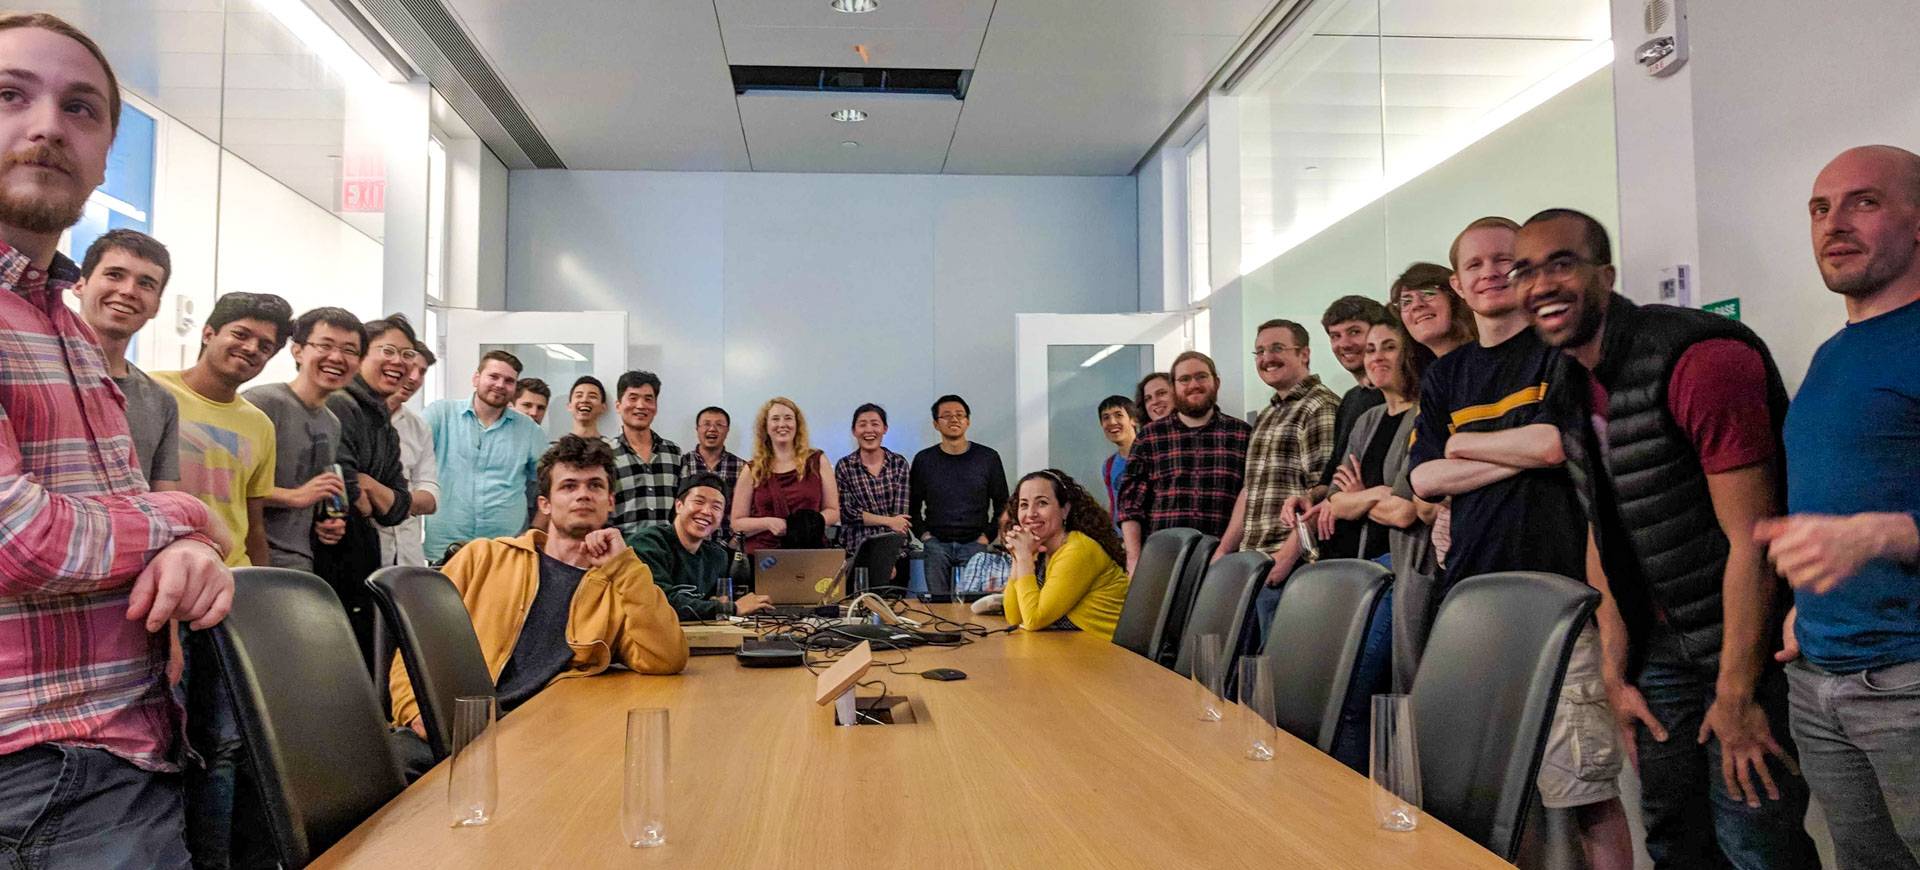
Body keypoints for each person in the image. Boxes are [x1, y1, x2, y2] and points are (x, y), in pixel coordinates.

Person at [0, 14, 234, 866]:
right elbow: (17, 537)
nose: (47, 126)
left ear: (105, 157)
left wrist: (185, 549)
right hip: (38, 771)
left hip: (124, 749)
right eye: (9, 95)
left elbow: (125, 521)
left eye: (83, 109)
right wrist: (181, 523)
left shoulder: (59, 327)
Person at [1519, 208, 1816, 868]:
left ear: (1606, 274)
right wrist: (1614, 669)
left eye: (1561, 263)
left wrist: (1736, 696)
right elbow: (1605, 530)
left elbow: (1755, 541)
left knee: (1756, 844)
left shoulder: (1701, 359)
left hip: (1746, 646)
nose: (1540, 283)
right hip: (1658, 657)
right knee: (1675, 843)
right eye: (1525, 270)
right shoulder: (1568, 382)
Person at [1408, 216, 1632, 870]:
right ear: (1457, 285)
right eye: (1473, 265)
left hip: (1564, 601)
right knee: (1499, 792)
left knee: (1584, 792)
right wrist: (1520, 453)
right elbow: (1423, 477)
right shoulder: (1447, 377)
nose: (1490, 273)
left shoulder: (1555, 350)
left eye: (1504, 260)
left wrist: (1463, 444)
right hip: (1472, 604)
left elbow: (1561, 443)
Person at [1753, 145, 1920, 869]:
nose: (1834, 223)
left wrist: (1883, 535)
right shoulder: (1831, 354)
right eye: (1820, 208)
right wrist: (1806, 602)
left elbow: (1870, 520)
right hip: (1820, 678)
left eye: (1864, 201)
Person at [389, 436, 687, 730]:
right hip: (453, 725)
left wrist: (624, 566)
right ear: (545, 504)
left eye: (595, 486)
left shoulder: (616, 586)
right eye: (569, 486)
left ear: (610, 502)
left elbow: (666, 658)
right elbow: (418, 643)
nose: (582, 494)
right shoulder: (482, 557)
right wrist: (416, 711)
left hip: (543, 731)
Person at [1214, 321, 1339, 638]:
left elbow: (1323, 494)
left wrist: (1286, 556)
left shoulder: (1319, 407)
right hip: (1252, 562)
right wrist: (1223, 552)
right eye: (1260, 351)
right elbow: (1251, 491)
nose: (1266, 357)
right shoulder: (1270, 413)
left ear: (1305, 354)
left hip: (1286, 565)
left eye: (1277, 348)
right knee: (1245, 672)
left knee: (1275, 675)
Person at [1384, 261, 1474, 691]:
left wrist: (1455, 456)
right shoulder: (1435, 381)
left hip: (1502, 556)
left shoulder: (1486, 365)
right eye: (1405, 301)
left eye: (1427, 293)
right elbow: (1422, 494)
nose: (1416, 306)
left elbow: (1549, 447)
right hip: (1452, 563)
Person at [155, 291, 292, 568]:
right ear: (208, 333)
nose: (252, 348)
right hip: (162, 568)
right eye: (241, 334)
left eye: (265, 346)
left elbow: (254, 524)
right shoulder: (152, 392)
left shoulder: (260, 424)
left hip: (232, 574)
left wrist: (261, 586)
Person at [317, 314, 418, 658]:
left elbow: (401, 506)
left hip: (362, 560)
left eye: (407, 355)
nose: (399, 363)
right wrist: (362, 493)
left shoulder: (383, 424)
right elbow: (345, 491)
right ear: (362, 356)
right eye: (387, 351)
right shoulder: (339, 404)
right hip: (328, 562)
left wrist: (369, 485)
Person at [244, 307, 361, 571]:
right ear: (298, 351)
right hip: (252, 559)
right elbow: (228, 486)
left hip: (300, 560)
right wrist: (294, 497)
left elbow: (310, 496)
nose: (336, 357)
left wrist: (326, 523)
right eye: (325, 345)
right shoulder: (262, 403)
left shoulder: (331, 423)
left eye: (349, 350)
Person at [1116, 352, 1252, 572]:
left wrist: (1224, 553)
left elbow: (1251, 498)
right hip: (1161, 562)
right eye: (1184, 379)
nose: (1193, 385)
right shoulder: (1150, 437)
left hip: (1222, 565)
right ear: (1174, 387)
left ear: (1216, 382)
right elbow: (1131, 505)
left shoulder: (1242, 435)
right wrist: (1134, 561)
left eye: (1201, 377)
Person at [71, 228, 179, 491]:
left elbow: (165, 501)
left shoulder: (161, 402)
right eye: (114, 275)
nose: (129, 290)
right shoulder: (32, 372)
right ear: (80, 284)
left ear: (156, 306)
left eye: (146, 284)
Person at [424, 349, 545, 556]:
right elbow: (407, 459)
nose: (500, 385)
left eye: (509, 381)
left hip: (506, 550)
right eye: (494, 376)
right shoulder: (441, 415)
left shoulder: (530, 430)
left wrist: (534, 535)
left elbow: (548, 489)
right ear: (476, 378)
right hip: (445, 548)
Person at [1002, 470, 1131, 641]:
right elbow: (1014, 617)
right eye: (1024, 505)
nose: (1031, 513)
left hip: (1114, 653)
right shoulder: (1042, 551)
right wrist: (1018, 557)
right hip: (1078, 646)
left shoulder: (1078, 550)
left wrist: (1024, 556)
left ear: (1065, 510)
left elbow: (1033, 620)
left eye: (1042, 503)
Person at [1312, 296, 1394, 559]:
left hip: (1383, 545)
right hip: (1343, 542)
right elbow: (1335, 474)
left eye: (1354, 332)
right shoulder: (1350, 399)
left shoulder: (1394, 397)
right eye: (1335, 336)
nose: (1344, 344)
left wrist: (1357, 497)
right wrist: (1310, 496)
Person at [629, 473, 772, 620]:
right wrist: (731, 608)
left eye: (716, 507)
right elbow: (658, 603)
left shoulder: (716, 556)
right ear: (679, 505)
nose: (706, 511)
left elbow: (709, 604)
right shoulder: (648, 543)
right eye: (699, 501)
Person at [908, 395, 1009, 593]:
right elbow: (912, 504)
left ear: (967, 421)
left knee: (973, 606)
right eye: (946, 416)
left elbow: (1003, 503)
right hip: (936, 544)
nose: (954, 419)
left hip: (975, 543)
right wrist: (924, 535)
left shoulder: (988, 458)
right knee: (938, 606)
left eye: (959, 415)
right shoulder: (924, 460)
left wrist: (987, 536)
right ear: (936, 424)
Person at [734, 397, 841, 554]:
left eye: (788, 418)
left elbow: (833, 511)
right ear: (766, 427)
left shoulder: (817, 461)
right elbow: (737, 523)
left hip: (810, 552)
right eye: (775, 419)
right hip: (764, 557)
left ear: (797, 425)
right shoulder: (752, 469)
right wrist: (767, 523)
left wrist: (808, 524)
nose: (782, 424)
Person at [378, 342, 440, 568]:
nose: (413, 377)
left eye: (422, 372)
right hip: (363, 552)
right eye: (410, 367)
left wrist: (388, 500)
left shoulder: (418, 427)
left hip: (408, 553)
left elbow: (431, 497)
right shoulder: (350, 416)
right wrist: (408, 500)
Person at [607, 370, 682, 537]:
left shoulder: (673, 453)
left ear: (655, 407)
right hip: (622, 551)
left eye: (648, 399)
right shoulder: (605, 453)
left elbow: (681, 508)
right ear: (618, 406)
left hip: (666, 551)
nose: (641, 405)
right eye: (633, 398)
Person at [835, 403, 913, 561]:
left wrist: (888, 559)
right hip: (855, 550)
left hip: (894, 550)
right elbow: (847, 512)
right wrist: (889, 521)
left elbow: (900, 519)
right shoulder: (845, 466)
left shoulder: (898, 463)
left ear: (885, 429)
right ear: (854, 431)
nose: (869, 430)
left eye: (875, 424)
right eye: (862, 424)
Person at [679, 406, 744, 541]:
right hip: (687, 544)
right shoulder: (681, 463)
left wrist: (734, 542)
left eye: (719, 425)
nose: (712, 429)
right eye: (706, 424)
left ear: (727, 431)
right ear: (697, 429)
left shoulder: (742, 467)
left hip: (727, 546)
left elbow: (747, 510)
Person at [1097, 395, 1142, 519]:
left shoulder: (1151, 455)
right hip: (1120, 537)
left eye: (1118, 415)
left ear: (1134, 420)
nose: (1112, 422)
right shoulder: (1109, 466)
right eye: (1106, 417)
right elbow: (1114, 505)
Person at [564, 375, 613, 444]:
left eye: (592, 396)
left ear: (603, 407)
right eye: (579, 396)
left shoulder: (613, 448)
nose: (584, 400)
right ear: (569, 406)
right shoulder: (556, 450)